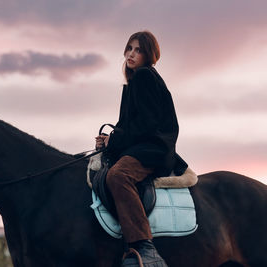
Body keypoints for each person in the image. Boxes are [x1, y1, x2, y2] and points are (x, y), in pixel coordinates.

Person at [95, 31, 179, 267]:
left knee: (118, 176)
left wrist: (117, 140)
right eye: (130, 48)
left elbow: (147, 125)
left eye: (138, 50)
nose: (131, 54)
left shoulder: (144, 76)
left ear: (149, 54)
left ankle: (144, 246)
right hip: (142, 144)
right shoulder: (133, 84)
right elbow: (128, 125)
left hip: (153, 148)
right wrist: (108, 140)